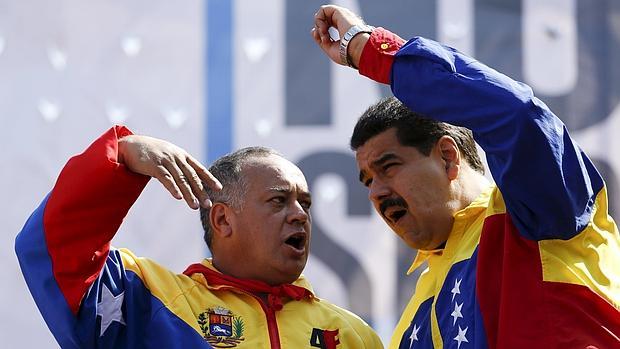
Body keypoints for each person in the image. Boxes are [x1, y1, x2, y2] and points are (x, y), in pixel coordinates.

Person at [312, 4, 620, 348]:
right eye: (368, 180)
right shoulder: (408, 327)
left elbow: (517, 116)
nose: (376, 193)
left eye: (388, 167)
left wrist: (371, 50)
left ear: (447, 157)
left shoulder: (535, 212)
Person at [15, 126, 383, 348]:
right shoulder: (148, 302)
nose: (300, 214)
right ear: (222, 220)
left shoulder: (353, 336)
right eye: (278, 200)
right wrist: (123, 154)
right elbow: (50, 246)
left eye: (305, 203)